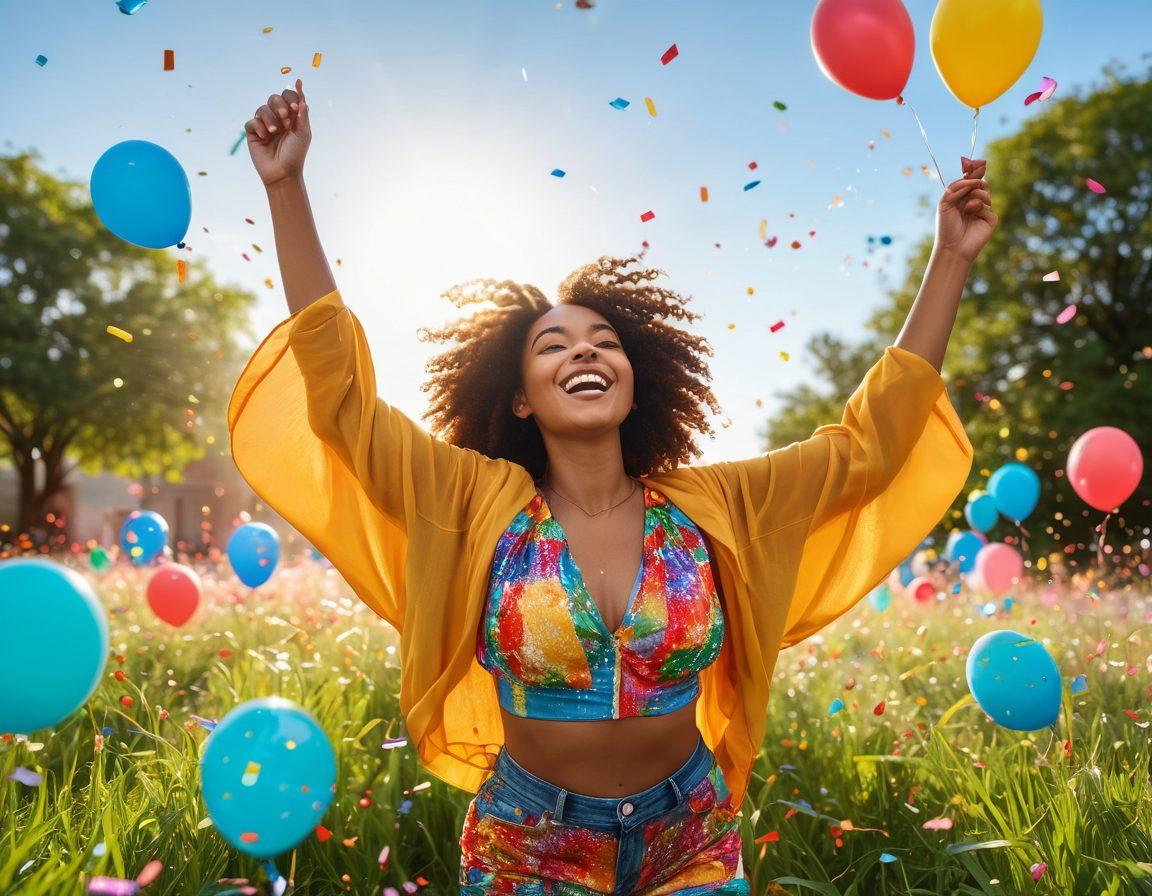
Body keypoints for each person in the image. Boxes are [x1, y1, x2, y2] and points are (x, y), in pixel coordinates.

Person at [230, 79, 988, 895]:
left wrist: (951, 256)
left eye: (605, 343)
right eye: (554, 346)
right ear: (519, 396)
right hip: (529, 843)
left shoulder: (713, 505)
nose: (585, 354)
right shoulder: (469, 498)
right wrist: (286, 188)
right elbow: (342, 402)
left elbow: (867, 446)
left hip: (689, 831)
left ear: (638, 379)